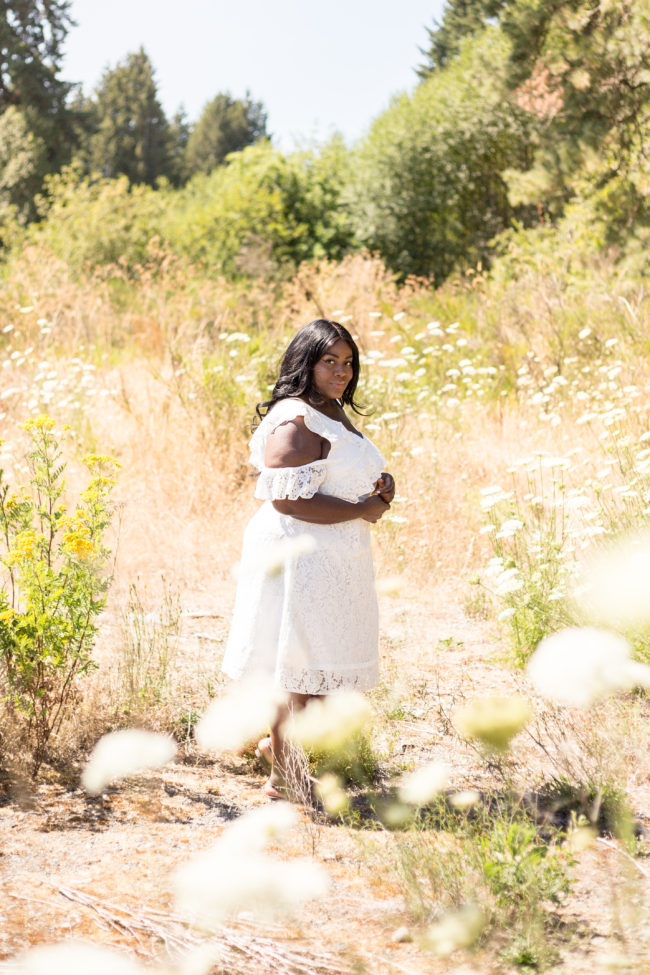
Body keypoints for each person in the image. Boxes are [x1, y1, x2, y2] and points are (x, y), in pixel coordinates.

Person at [222, 319, 395, 799]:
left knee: (322, 670)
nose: (342, 371)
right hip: (297, 553)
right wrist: (362, 508)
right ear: (307, 362)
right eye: (329, 361)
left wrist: (380, 488)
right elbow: (288, 500)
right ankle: (285, 778)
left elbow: (339, 472)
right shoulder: (296, 418)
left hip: (335, 555)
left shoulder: (332, 409)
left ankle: (277, 751)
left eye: (348, 362)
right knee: (295, 669)